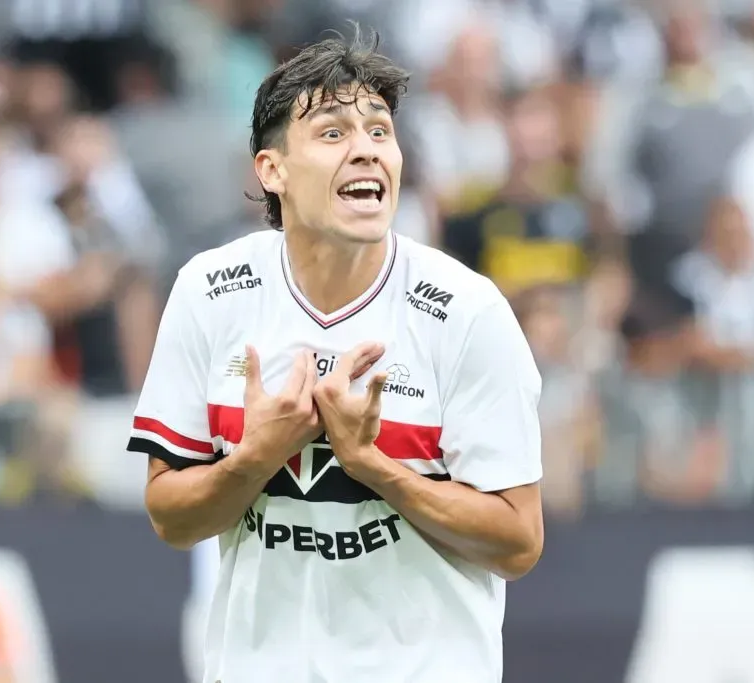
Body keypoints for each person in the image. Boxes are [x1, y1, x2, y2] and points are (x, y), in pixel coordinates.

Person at [127, 27, 544, 683]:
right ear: (273, 169)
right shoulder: (210, 290)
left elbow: (518, 541)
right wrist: (258, 456)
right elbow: (171, 517)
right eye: (332, 133)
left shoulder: (467, 312)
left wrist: (375, 467)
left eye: (380, 131)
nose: (366, 151)